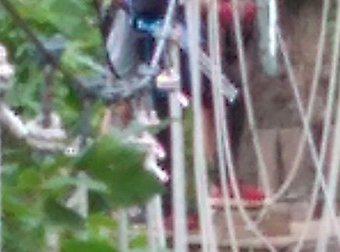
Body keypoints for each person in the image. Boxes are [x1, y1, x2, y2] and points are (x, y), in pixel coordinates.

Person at [102, 0, 265, 209]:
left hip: (153, 33)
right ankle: (219, 182)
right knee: (228, 94)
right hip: (167, 34)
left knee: (164, 111)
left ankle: (165, 204)